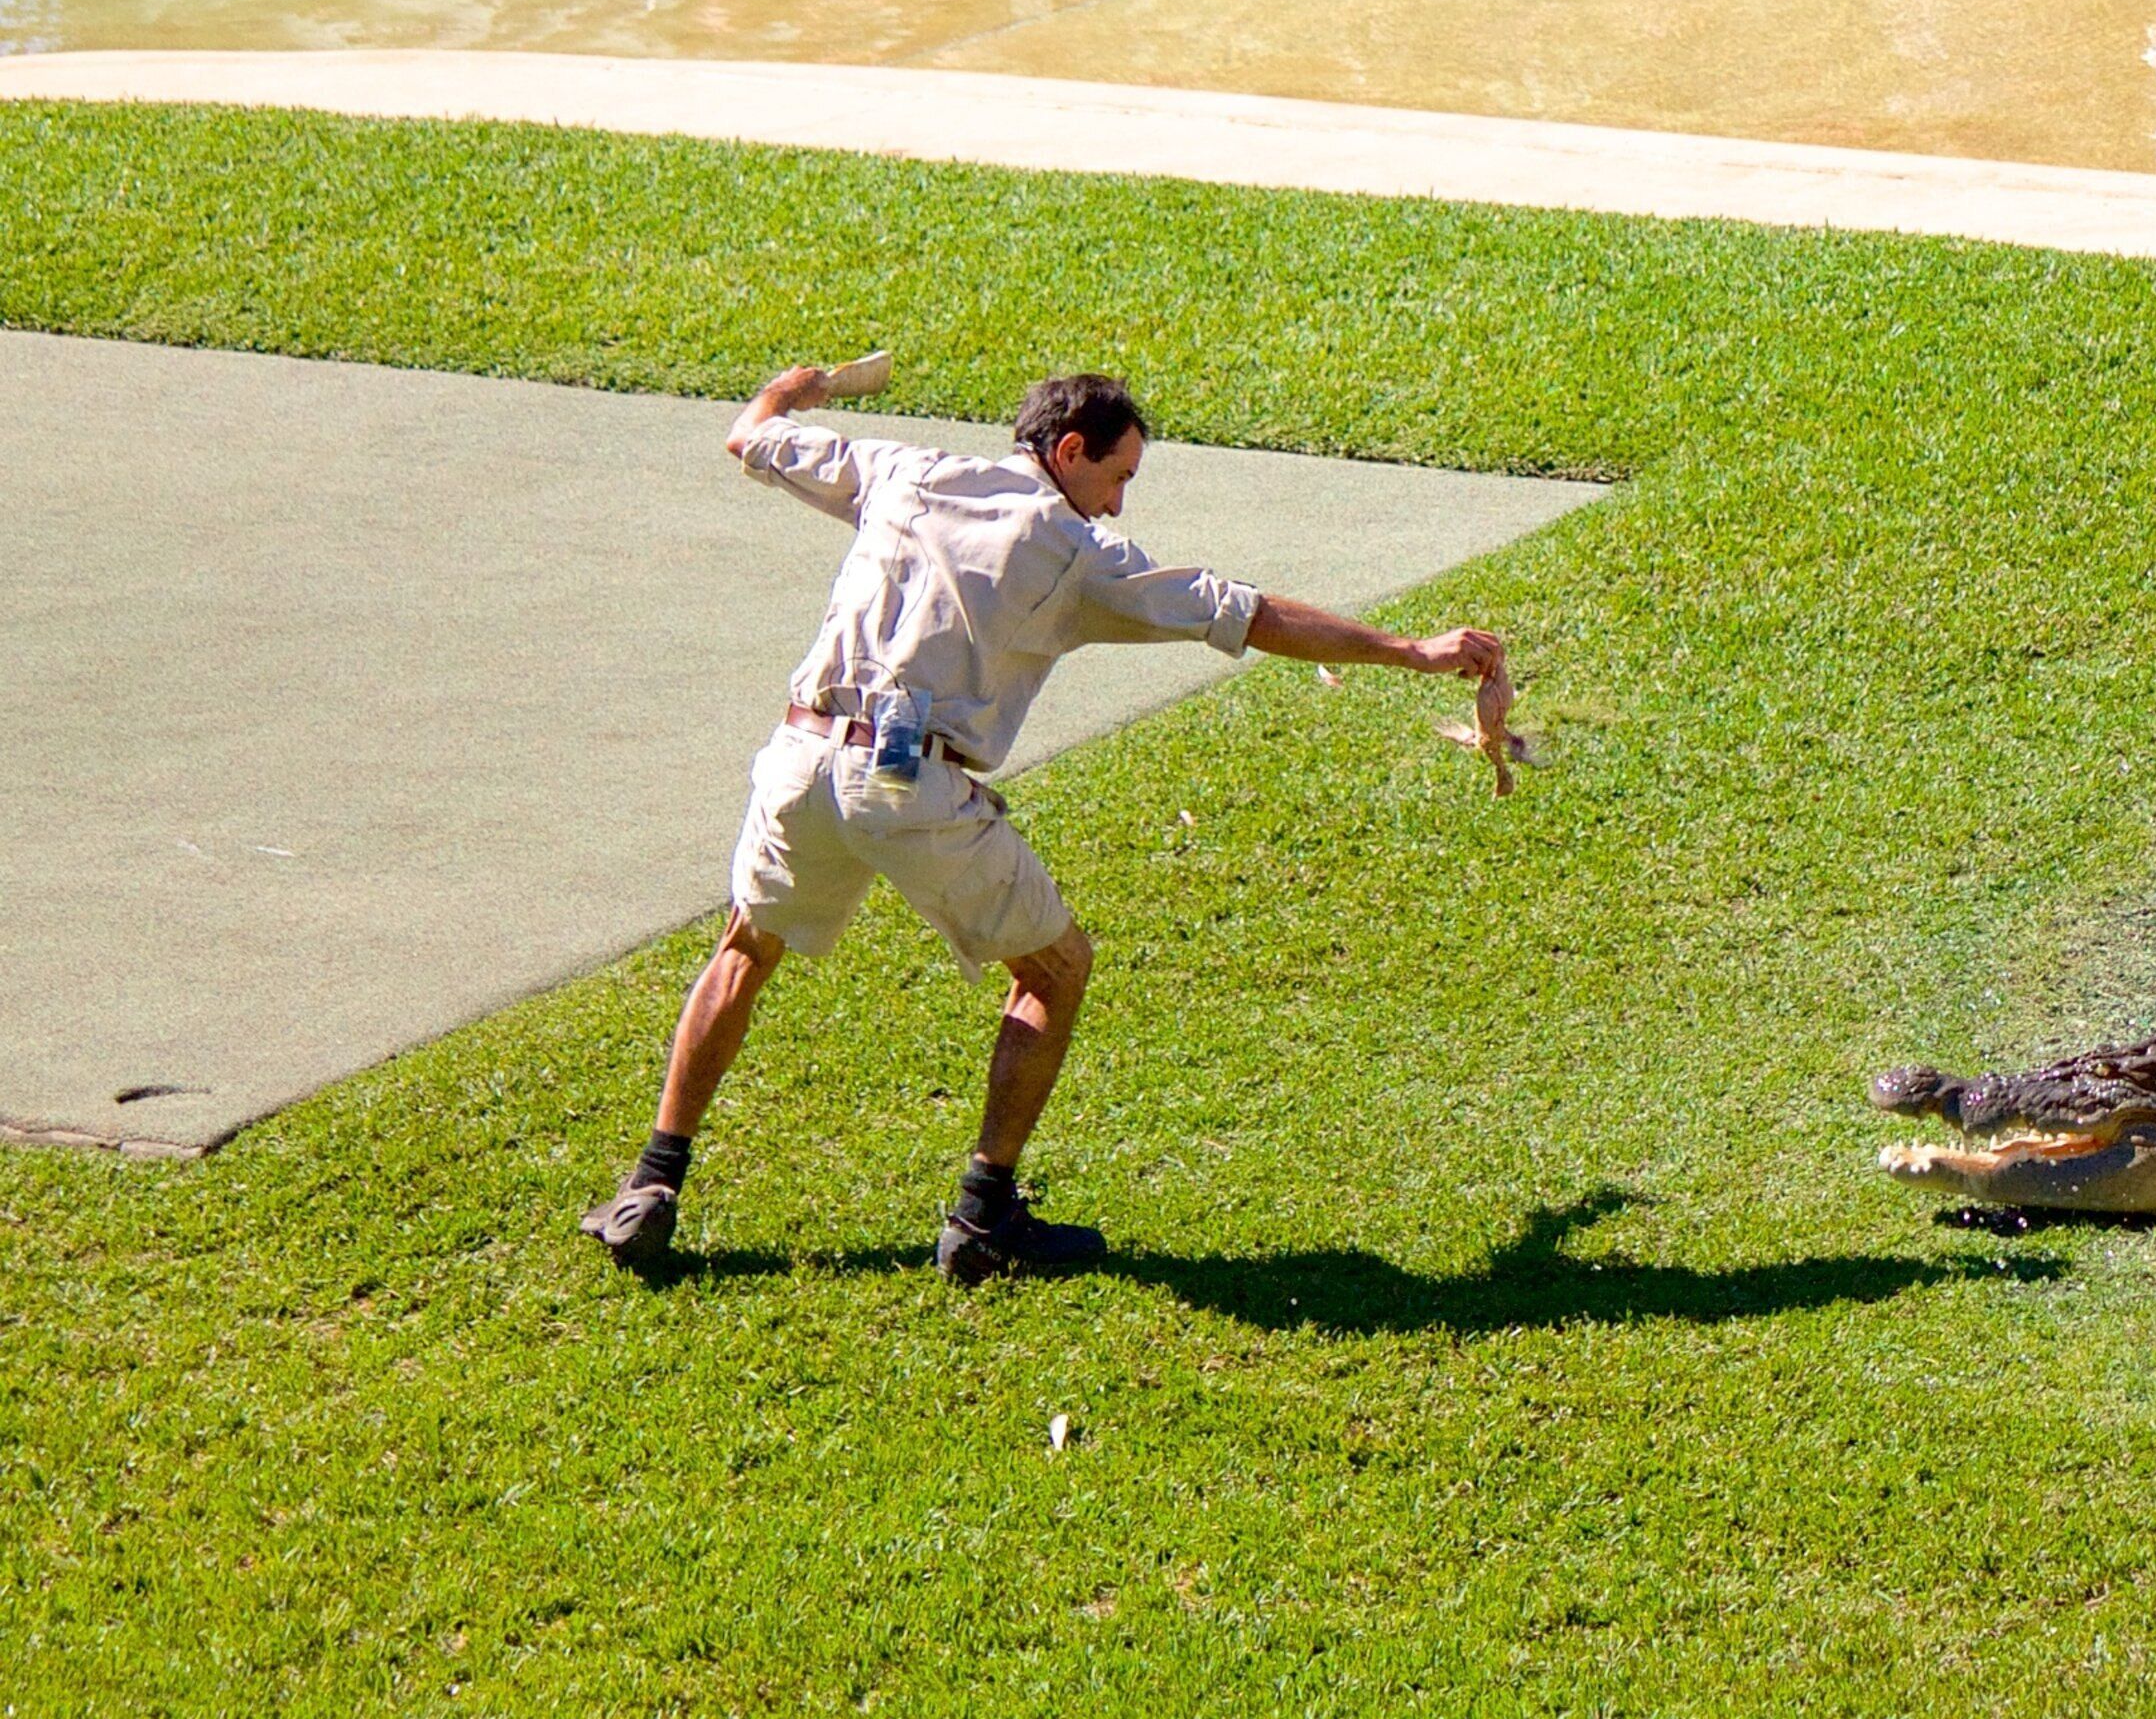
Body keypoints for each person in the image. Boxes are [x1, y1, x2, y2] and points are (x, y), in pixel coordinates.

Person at [579, 365, 1504, 1284]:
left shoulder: (905, 470)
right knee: (1056, 968)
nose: (1118, 502)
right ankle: (983, 1216)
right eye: (1119, 476)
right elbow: (1243, 613)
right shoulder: (1071, 549)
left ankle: (651, 1183)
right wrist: (1408, 651)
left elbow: (750, 435)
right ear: (1068, 452)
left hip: (798, 763)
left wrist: (792, 392)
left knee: (747, 948)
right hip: (911, 789)